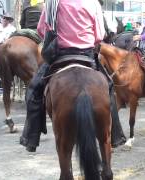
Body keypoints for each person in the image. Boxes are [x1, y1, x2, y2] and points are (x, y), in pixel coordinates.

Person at [20, 0, 126, 152]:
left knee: (34, 90)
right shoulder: (93, 3)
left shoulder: (52, 3)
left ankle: (31, 137)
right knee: (108, 86)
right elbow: (99, 35)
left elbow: (42, 30)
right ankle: (115, 135)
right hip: (87, 55)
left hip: (60, 55)